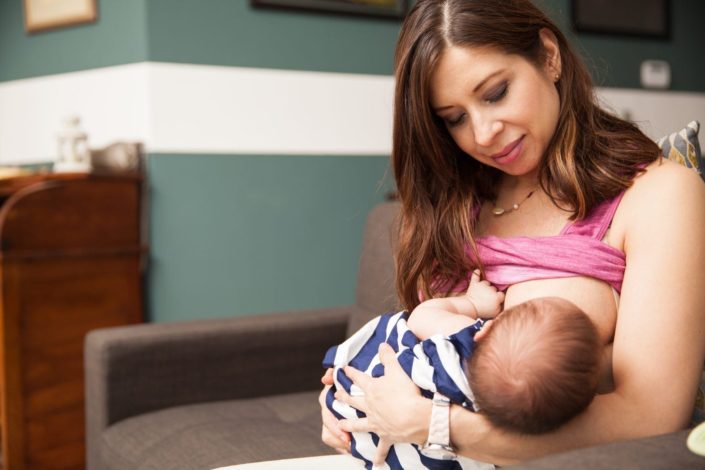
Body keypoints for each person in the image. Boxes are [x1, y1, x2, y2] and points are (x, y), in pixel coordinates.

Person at [320, 0, 705, 466]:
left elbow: (650, 415)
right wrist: (358, 397)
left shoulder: (660, 195)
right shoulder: (456, 205)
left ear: (549, 56)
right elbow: (425, 349)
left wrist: (432, 424)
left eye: (496, 92)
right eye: (454, 118)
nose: (482, 134)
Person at [323, 272, 601, 469]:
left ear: (488, 328)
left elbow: (422, 316)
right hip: (392, 452)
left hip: (357, 395)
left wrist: (472, 305)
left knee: (401, 333)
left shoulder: (463, 341)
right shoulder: (496, 431)